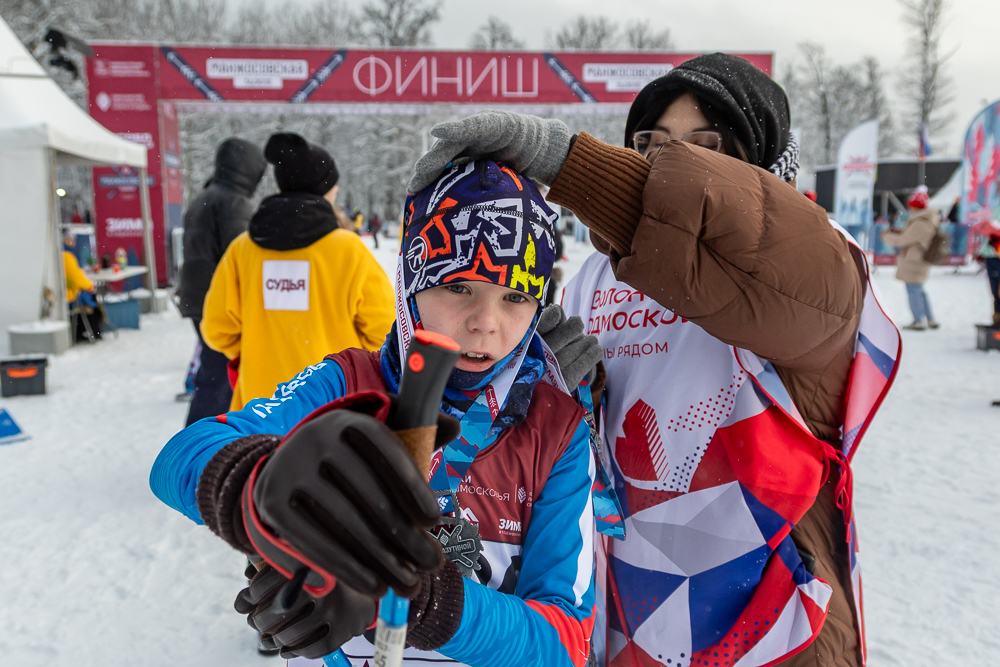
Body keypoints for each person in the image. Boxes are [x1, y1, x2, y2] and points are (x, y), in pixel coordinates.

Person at [408, 53, 902, 667]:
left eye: (706, 149)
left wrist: (572, 164)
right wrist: (571, 397)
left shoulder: (817, 270)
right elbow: (566, 458)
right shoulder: (594, 279)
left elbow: (756, 240)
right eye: (651, 146)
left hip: (772, 630)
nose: (672, 165)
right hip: (628, 618)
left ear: (763, 168)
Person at [150, 160, 600, 666]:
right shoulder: (348, 383)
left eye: (516, 296)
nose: (485, 324)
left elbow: (567, 644)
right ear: (412, 284)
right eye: (459, 287)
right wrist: (260, 492)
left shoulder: (554, 427)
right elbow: (177, 460)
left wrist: (428, 604)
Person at [199, 132, 394, 412]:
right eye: (333, 184)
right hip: (333, 406)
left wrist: (258, 354)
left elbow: (217, 329)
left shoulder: (242, 250)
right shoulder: (349, 251)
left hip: (260, 409)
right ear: (323, 189)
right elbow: (384, 332)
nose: (337, 190)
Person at [177, 138, 267, 425]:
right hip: (216, 300)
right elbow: (241, 255)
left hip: (197, 294)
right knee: (217, 377)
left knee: (212, 371)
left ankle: (202, 440)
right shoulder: (233, 202)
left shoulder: (204, 197)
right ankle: (200, 447)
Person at [881, 186, 941, 330]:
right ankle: (930, 318)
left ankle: (918, 320)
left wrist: (886, 235)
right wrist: (899, 231)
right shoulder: (924, 220)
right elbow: (911, 234)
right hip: (918, 259)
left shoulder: (921, 222)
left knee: (913, 289)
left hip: (915, 260)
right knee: (919, 289)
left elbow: (903, 240)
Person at [63, 232, 101, 341]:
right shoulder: (67, 256)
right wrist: (90, 286)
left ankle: (84, 331)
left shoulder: (63, 254)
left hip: (68, 292)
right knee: (92, 301)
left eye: (72, 241)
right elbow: (77, 278)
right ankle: (95, 331)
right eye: (68, 241)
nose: (71, 243)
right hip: (71, 295)